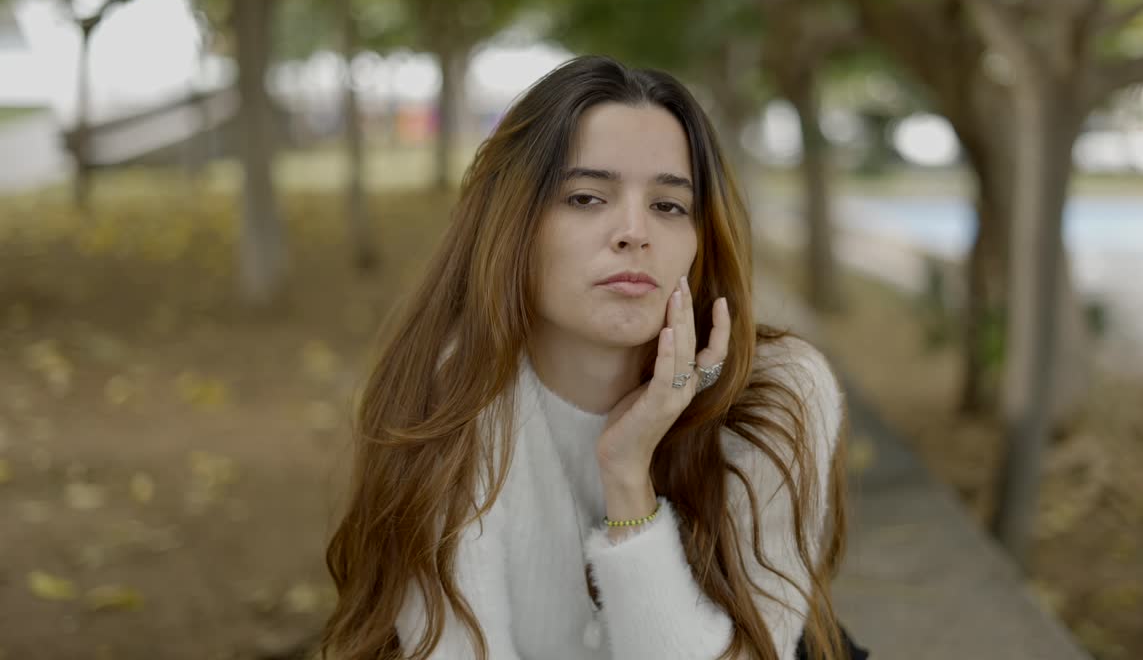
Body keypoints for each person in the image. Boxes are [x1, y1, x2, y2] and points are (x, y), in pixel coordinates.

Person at [322, 56, 868, 660]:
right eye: (585, 197)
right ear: (513, 224)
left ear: (698, 240)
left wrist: (627, 470)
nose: (635, 231)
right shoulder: (446, 400)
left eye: (668, 206)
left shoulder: (780, 390)